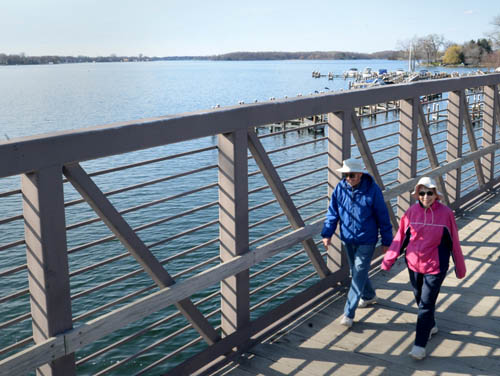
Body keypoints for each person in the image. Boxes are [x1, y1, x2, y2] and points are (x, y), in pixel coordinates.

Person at [382, 176, 466, 360]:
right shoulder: (411, 213)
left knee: (426, 304)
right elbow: (400, 239)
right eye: (422, 193)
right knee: (420, 299)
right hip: (413, 264)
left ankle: (419, 344)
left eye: (429, 193)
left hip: (436, 266)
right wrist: (388, 260)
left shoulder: (446, 214)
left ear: (436, 194)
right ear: (417, 195)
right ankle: (431, 325)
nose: (425, 196)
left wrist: (460, 268)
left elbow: (454, 243)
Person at [321, 158, 393, 328]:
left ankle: (348, 312)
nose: (348, 178)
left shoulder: (372, 190)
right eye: (345, 175)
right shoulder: (340, 188)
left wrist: (387, 240)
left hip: (367, 239)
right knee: (356, 271)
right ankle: (368, 296)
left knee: (358, 271)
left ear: (361, 174)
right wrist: (327, 233)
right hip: (347, 237)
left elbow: (383, 216)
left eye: (351, 175)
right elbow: (333, 213)